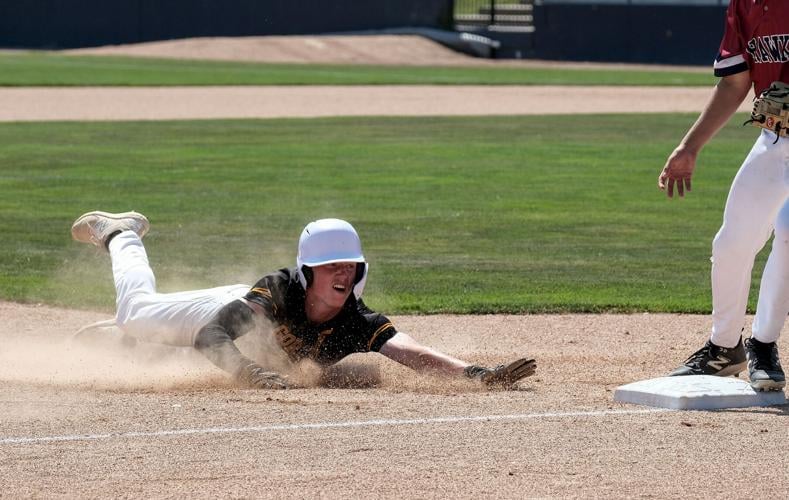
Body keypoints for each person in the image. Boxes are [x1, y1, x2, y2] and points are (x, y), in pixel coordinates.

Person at [70, 210, 536, 389]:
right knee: (135, 315)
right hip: (223, 313)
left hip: (243, 339)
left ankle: (124, 341)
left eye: (349, 265)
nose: (343, 272)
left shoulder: (356, 319)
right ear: (308, 272)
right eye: (332, 266)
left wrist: (477, 373)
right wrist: (249, 375)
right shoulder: (274, 293)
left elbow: (409, 352)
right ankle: (120, 233)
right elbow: (211, 334)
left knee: (157, 349)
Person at [658, 0, 787, 391]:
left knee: (788, 231)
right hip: (776, 139)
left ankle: (763, 346)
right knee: (732, 241)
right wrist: (689, 147)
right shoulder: (745, 4)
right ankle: (724, 347)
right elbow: (735, 82)